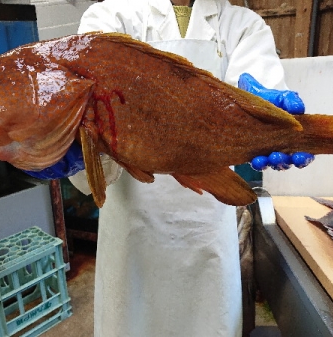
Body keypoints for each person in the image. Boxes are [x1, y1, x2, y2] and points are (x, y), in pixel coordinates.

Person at [25, 0, 313, 336]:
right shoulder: (110, 16)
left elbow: (258, 93)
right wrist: (76, 146)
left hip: (208, 233)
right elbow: (95, 122)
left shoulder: (242, 26)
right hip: (134, 241)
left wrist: (268, 119)